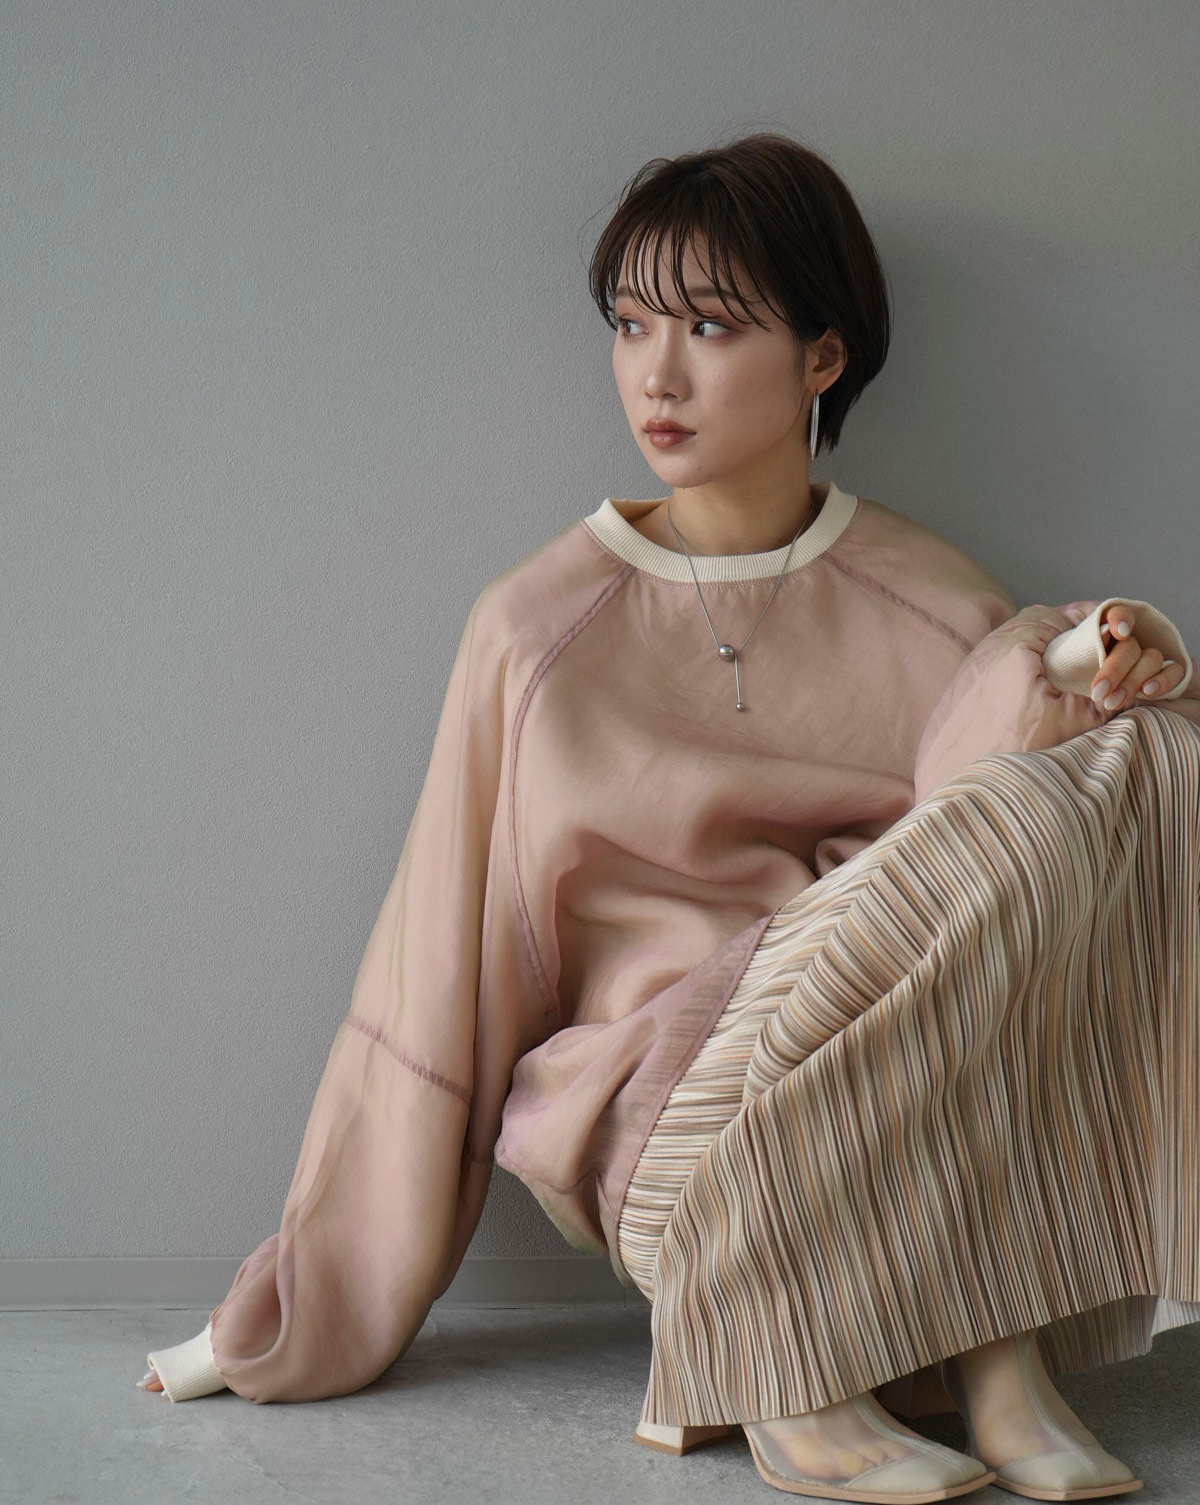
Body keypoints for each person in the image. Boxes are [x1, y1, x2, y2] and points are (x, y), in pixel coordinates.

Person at [139, 133, 1200, 1505]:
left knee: (1147, 751)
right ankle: (801, 1374)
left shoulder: (930, 597)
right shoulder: (534, 628)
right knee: (994, 804)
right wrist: (293, 1302)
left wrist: (1095, 664)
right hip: (660, 1110)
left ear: (823, 357)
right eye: (632, 325)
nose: (657, 374)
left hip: (894, 1104)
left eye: (709, 327)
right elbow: (433, 986)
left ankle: (999, 1362)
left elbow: (991, 865)